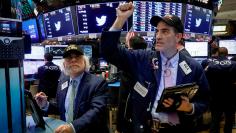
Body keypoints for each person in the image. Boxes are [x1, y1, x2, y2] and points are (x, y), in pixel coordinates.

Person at [100, 2, 209, 133]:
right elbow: (109, 52)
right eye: (157, 31)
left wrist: (190, 107)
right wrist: (120, 19)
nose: (158, 36)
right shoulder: (142, 59)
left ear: (178, 37)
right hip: (146, 128)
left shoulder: (193, 67)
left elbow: (204, 100)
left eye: (165, 31)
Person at [35, 44, 109, 133]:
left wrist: (73, 127)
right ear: (64, 64)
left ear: (84, 62)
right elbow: (62, 108)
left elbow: (97, 111)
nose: (73, 60)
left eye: (77, 56)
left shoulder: (98, 83)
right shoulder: (63, 82)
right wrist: (45, 105)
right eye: (69, 58)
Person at [116, 34, 147, 133]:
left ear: (130, 49)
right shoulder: (151, 61)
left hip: (129, 116)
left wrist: (119, 126)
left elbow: (123, 100)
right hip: (146, 115)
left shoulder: (128, 64)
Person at [205, 47, 236, 133]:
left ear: (217, 54)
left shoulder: (210, 65)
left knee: (215, 120)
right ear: (227, 54)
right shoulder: (234, 64)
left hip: (215, 97)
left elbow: (205, 80)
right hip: (230, 97)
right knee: (229, 119)